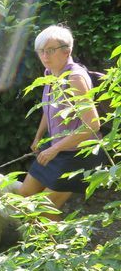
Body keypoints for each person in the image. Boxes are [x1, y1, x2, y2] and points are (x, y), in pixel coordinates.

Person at [17, 25, 103, 215]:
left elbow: (93, 124)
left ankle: (52, 244)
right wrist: (39, 136)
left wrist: (55, 148)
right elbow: (49, 109)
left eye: (50, 50)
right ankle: (42, 242)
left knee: (44, 210)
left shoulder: (75, 78)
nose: (45, 56)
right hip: (57, 149)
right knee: (24, 196)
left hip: (79, 154)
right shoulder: (50, 75)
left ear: (67, 51)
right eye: (41, 51)